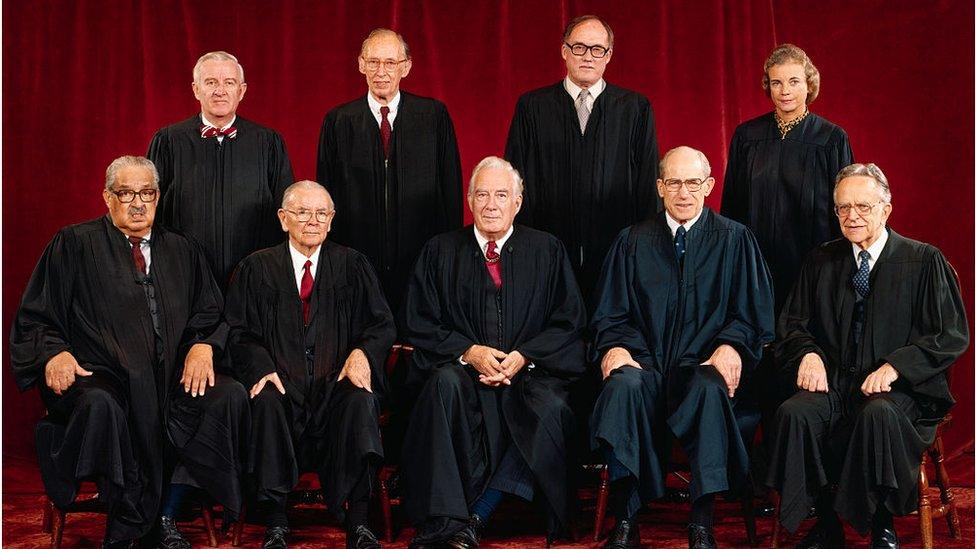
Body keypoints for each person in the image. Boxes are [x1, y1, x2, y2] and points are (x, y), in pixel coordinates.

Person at [10, 156, 249, 548]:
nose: (137, 203)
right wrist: (54, 353)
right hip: (104, 376)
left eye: (147, 193)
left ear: (158, 197)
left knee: (225, 396)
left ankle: (170, 510)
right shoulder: (73, 243)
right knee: (101, 405)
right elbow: (37, 315)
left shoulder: (183, 249)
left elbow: (210, 313)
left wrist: (204, 345)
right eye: (125, 193)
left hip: (171, 375)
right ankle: (125, 518)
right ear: (107, 197)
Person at [766, 163, 969, 549]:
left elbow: (950, 334)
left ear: (886, 208)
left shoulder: (923, 261)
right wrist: (807, 353)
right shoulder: (821, 260)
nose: (852, 216)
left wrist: (896, 366)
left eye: (862, 206)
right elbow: (792, 324)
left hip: (901, 392)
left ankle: (881, 522)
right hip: (838, 384)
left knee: (877, 413)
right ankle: (826, 523)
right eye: (843, 208)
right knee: (795, 412)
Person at [589, 146, 775, 549]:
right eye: (673, 182)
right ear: (659, 187)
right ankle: (626, 519)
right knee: (623, 386)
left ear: (708, 186)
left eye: (693, 182)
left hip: (702, 366)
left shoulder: (735, 239)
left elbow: (753, 315)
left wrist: (731, 346)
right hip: (647, 365)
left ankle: (701, 521)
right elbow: (610, 314)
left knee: (709, 387)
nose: (683, 192)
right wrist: (616, 348)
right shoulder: (632, 241)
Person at [399, 157, 586, 548]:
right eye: (482, 194)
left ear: (518, 202)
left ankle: (477, 516)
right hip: (465, 371)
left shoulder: (546, 249)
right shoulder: (440, 250)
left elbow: (569, 322)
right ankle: (445, 518)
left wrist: (524, 356)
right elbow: (419, 320)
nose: (491, 204)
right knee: (442, 387)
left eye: (502, 195)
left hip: (531, 373)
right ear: (469, 200)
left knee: (550, 412)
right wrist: (469, 352)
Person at [225, 181, 396, 549]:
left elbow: (382, 324)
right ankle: (276, 521)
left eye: (321, 213)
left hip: (336, 386)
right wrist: (260, 368)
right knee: (266, 401)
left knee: (360, 401)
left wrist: (362, 353)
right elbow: (237, 331)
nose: (312, 221)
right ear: (284, 219)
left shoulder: (353, 265)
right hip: (284, 386)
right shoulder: (257, 268)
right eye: (302, 213)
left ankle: (360, 521)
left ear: (331, 220)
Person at [504, 14, 659, 307]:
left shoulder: (635, 109)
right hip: (548, 247)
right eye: (579, 48)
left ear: (609, 55)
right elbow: (515, 181)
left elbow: (647, 184)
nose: (588, 56)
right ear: (564, 51)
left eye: (597, 49)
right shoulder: (532, 107)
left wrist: (641, 248)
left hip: (615, 250)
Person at [316, 28, 462, 313]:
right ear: (361, 64)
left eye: (390, 63)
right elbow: (326, 197)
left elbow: (450, 191)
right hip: (356, 263)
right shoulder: (338, 122)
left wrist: (447, 258)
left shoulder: (433, 116)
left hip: (420, 262)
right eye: (373, 62)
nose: (381, 71)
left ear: (405, 67)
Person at [721, 43, 853, 317]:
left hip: (813, 263)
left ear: (809, 84)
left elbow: (844, 207)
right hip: (756, 264)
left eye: (794, 81)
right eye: (776, 82)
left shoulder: (831, 139)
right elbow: (732, 205)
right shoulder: (747, 137)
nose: (785, 91)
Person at [148, 51, 294, 288]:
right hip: (184, 277)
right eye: (211, 82)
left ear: (242, 90)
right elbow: (151, 210)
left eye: (229, 82)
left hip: (255, 278)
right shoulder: (168, 141)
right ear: (196, 89)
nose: (220, 90)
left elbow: (286, 212)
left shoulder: (268, 142)